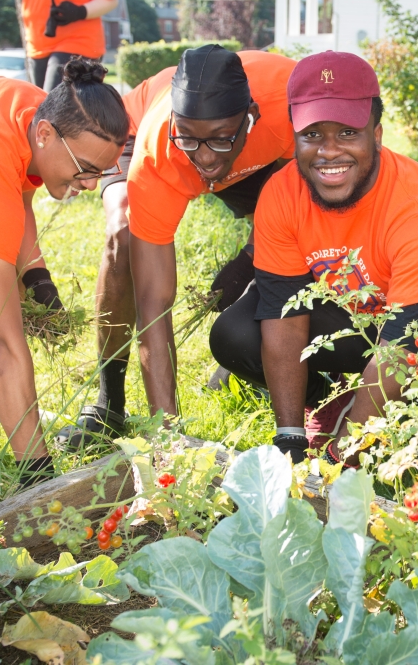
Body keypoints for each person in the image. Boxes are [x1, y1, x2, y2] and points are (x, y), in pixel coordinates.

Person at [210, 51, 418, 465]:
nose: (329, 152)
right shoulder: (281, 192)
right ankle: (329, 400)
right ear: (294, 136)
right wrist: (289, 440)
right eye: (312, 135)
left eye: (347, 133)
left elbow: (404, 344)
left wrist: (339, 451)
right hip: (362, 316)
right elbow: (282, 314)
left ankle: (361, 422)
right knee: (237, 331)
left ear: (377, 136)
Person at [55, 45, 296, 447]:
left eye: (216, 141)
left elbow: (299, 210)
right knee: (124, 236)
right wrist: (169, 440)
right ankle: (108, 403)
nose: (203, 159)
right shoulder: (160, 150)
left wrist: (250, 256)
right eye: (190, 141)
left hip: (258, 146)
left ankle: (243, 363)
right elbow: (154, 305)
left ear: (250, 118)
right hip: (141, 132)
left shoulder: (292, 104)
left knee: (292, 236)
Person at [0, 58, 129, 484]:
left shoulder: (40, 111)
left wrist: (36, 276)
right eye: (85, 169)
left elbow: (19, 192)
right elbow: (3, 346)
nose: (91, 184)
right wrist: (41, 482)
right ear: (45, 135)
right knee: (1, 321)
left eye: (103, 171)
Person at [17, 0, 118, 92]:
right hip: (37, 46)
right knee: (39, 105)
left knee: (53, 106)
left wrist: (80, 11)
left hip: (78, 42)